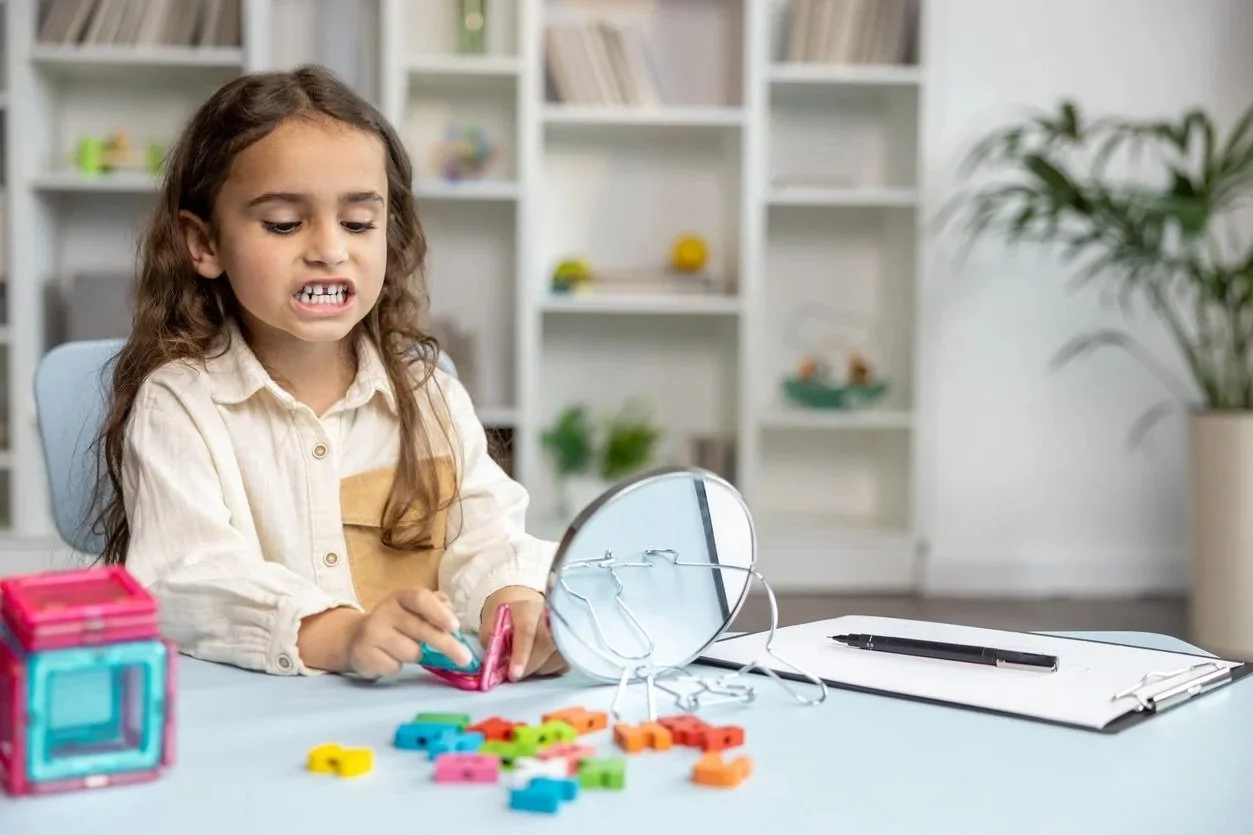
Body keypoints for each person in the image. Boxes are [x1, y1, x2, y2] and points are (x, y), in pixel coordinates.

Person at [89, 64, 564, 683]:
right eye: (284, 223)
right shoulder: (178, 404)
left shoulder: (431, 395)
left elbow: (489, 536)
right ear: (203, 244)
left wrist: (513, 601)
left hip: (419, 726)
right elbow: (188, 578)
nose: (330, 249)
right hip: (262, 728)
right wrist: (339, 633)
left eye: (359, 223)